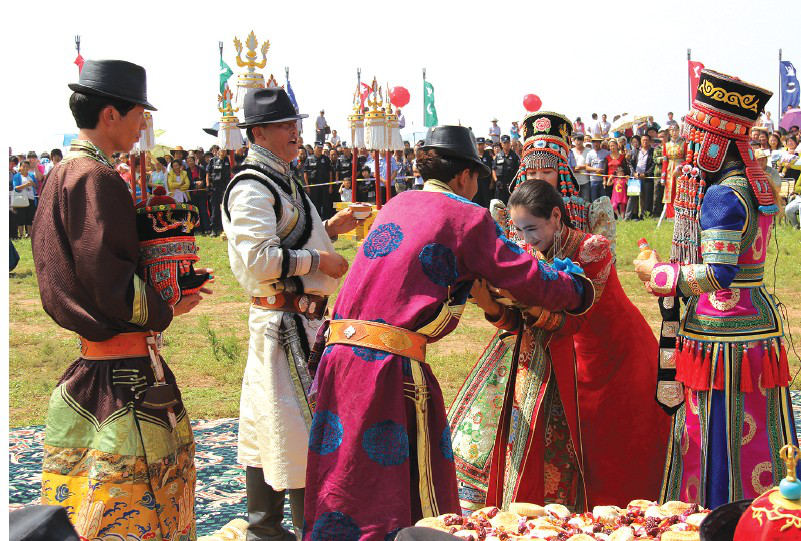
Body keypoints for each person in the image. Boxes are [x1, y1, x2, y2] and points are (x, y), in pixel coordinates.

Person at [304, 125, 594, 540]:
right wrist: (575, 289)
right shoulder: (466, 217)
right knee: (396, 495)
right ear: (464, 176)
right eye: (477, 178)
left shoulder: (398, 203)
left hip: (337, 357)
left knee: (343, 482)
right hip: (388, 369)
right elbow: (523, 275)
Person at [31, 59, 208, 539]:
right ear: (111, 114)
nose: (142, 126)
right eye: (138, 115)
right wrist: (168, 305)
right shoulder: (97, 177)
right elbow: (110, 281)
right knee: (136, 511)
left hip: (90, 372)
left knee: (87, 505)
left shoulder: (62, 173)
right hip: (124, 381)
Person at [634, 69, 798, 509]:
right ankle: (766, 509)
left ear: (712, 143)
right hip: (757, 320)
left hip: (722, 333)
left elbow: (719, 273)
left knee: (713, 432)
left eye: (695, 137)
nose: (688, 150)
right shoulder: (757, 187)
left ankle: (718, 511)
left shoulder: (723, 195)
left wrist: (659, 274)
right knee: (761, 430)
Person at [457, 179, 668, 511]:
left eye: (532, 228)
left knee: (609, 448)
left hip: (611, 353)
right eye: (519, 230)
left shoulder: (592, 249)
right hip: (558, 353)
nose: (526, 239)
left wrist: (524, 303)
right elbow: (521, 325)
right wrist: (490, 305)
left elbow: (575, 322)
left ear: (556, 216)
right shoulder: (526, 252)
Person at [222, 87, 359, 541]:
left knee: (272, 423)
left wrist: (329, 229)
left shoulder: (281, 179)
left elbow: (287, 239)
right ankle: (299, 529)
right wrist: (320, 259)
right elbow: (260, 259)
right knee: (295, 429)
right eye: (283, 125)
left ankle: (268, 529)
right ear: (258, 133)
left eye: (294, 123)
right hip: (282, 326)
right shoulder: (251, 186)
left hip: (300, 321)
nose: (295, 132)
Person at [660, 124, 686, 218]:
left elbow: (687, 159)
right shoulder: (666, 145)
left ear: (679, 131)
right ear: (669, 132)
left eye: (676, 130)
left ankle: (681, 213)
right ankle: (671, 214)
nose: (674, 132)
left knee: (680, 190)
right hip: (669, 170)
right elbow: (665, 162)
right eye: (672, 130)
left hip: (680, 169)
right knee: (670, 191)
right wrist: (663, 176)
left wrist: (680, 167)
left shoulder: (684, 144)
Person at [627, 133, 655, 219]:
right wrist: (634, 173)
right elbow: (630, 163)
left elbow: (653, 165)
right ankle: (632, 215)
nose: (645, 142)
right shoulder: (636, 151)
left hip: (646, 177)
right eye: (643, 140)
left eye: (646, 140)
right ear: (641, 141)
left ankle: (643, 215)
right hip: (635, 176)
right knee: (633, 197)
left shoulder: (652, 151)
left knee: (645, 197)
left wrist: (645, 174)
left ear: (649, 141)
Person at [304, 142, 334, 219]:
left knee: (326, 204)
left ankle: (325, 220)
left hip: (325, 185)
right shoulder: (309, 159)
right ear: (315, 148)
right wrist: (307, 186)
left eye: (321, 148)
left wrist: (330, 185)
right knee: (315, 204)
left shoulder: (326, 159)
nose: (320, 149)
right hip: (314, 186)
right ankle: (316, 220)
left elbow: (330, 172)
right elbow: (305, 173)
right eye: (318, 148)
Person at [207, 146, 232, 236]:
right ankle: (214, 229)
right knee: (215, 209)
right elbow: (208, 173)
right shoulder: (213, 160)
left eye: (225, 150)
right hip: (215, 187)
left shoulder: (227, 160)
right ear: (218, 151)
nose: (223, 152)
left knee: (225, 208)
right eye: (222, 150)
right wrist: (208, 185)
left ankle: (224, 228)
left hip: (224, 187)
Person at [11, 160, 37, 237]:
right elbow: (16, 188)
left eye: (27, 166)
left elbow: (36, 186)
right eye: (23, 166)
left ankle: (29, 233)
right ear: (20, 167)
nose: (25, 168)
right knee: (21, 217)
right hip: (21, 199)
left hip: (31, 199)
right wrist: (26, 185)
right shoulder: (17, 176)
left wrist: (33, 184)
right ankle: (21, 234)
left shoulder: (31, 175)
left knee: (30, 217)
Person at [492, 135, 519, 204]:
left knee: (511, 204)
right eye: (505, 143)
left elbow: (518, 170)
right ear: (501, 144)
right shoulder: (498, 156)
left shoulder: (515, 156)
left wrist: (514, 182)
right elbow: (494, 169)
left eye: (508, 142)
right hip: (500, 185)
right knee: (499, 204)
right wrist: (496, 181)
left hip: (510, 184)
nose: (507, 144)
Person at [187, 154, 210, 233]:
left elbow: (206, 178)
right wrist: (195, 183)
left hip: (201, 193)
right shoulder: (186, 171)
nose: (190, 163)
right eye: (188, 162)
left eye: (191, 161)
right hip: (192, 195)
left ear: (195, 161)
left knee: (203, 211)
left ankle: (207, 228)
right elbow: (187, 183)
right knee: (195, 212)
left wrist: (202, 183)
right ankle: (197, 229)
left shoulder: (201, 169)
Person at [585, 136, 609, 202]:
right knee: (594, 200)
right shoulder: (589, 153)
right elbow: (587, 167)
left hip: (603, 180)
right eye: (594, 142)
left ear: (600, 143)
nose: (595, 144)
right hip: (593, 180)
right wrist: (595, 170)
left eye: (597, 142)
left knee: (603, 200)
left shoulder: (606, 153)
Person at [472, 137, 494, 207]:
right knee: (476, 201)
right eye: (479, 144)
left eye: (482, 144)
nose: (480, 146)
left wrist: (492, 182)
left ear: (484, 145)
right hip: (476, 182)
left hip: (486, 182)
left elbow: (492, 168)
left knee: (486, 201)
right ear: (476, 145)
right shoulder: (473, 155)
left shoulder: (488, 155)